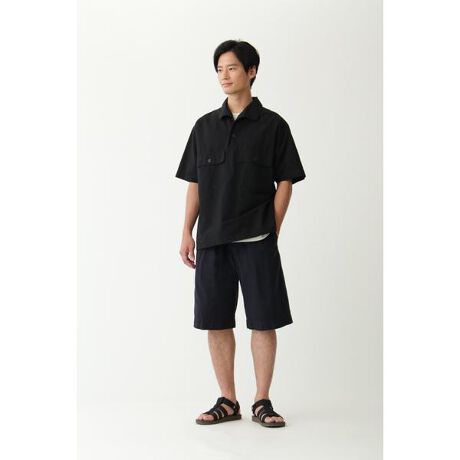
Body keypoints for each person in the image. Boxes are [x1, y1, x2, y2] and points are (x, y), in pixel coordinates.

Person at [175, 39, 306, 428]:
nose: (224, 76)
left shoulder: (273, 125)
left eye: (231, 68)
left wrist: (272, 228)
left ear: (251, 71)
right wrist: (186, 231)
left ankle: (262, 400)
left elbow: (286, 180)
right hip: (213, 240)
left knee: (263, 319)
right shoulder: (204, 127)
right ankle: (227, 400)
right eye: (219, 69)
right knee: (216, 320)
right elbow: (195, 183)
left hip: (256, 239)